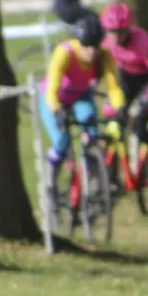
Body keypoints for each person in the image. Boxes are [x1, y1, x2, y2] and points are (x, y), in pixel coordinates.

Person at [40, 14, 127, 185]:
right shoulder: (64, 53)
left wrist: (119, 107)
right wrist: (56, 110)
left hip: (81, 95)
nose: (91, 52)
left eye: (95, 46)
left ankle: (93, 178)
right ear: (79, 42)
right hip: (54, 98)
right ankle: (50, 181)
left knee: (92, 134)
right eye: (86, 46)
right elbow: (52, 89)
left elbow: (113, 86)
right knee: (61, 142)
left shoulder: (104, 55)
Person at [100, 3, 148, 178]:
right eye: (111, 31)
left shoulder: (142, 41)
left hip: (147, 81)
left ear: (127, 30)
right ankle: (110, 177)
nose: (115, 36)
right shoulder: (105, 42)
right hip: (125, 80)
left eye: (119, 32)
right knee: (112, 119)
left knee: (137, 119)